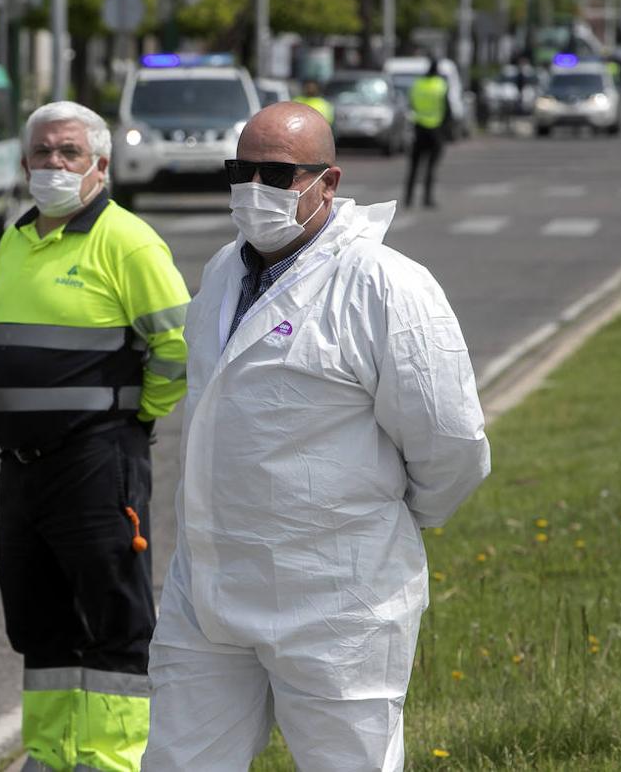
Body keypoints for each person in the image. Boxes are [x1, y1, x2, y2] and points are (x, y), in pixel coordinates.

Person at [143, 101, 490, 771]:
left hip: (336, 602)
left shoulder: (384, 285)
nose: (252, 190)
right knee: (178, 761)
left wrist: (372, 524)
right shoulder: (222, 274)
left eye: (276, 174)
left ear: (327, 183)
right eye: (239, 170)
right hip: (210, 590)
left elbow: (452, 442)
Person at [0, 101, 191, 771]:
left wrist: (137, 415)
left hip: (98, 460)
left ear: (100, 165)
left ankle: (112, 759)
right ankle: (50, 753)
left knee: (114, 618)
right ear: (23, 162)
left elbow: (178, 343)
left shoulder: (127, 241)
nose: (53, 163)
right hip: (22, 467)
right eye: (41, 151)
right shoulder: (16, 239)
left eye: (69, 152)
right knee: (38, 620)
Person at [403, 58, 450, 208]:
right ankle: (427, 198)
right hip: (435, 130)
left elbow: (411, 103)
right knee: (431, 166)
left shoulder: (418, 84)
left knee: (414, 166)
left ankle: (408, 198)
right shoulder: (440, 85)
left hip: (419, 128)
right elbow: (447, 109)